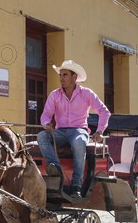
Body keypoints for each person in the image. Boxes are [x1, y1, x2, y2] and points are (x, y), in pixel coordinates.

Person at [38, 60, 111, 198]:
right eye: (60, 75)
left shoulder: (86, 93)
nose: (61, 78)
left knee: (79, 142)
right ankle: (55, 167)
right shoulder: (55, 95)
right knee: (42, 136)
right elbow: (46, 114)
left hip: (79, 131)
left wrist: (100, 131)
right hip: (59, 132)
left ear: (74, 77)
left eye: (65, 75)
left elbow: (104, 111)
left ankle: (76, 185)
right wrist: (46, 123)